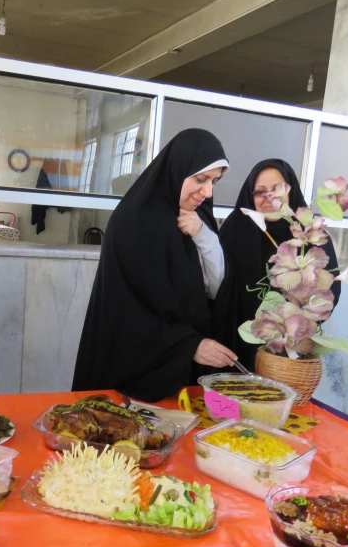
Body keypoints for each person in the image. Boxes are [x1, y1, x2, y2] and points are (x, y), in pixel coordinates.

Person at [72, 129, 237, 402]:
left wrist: (203, 235)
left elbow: (217, 289)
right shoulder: (134, 222)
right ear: (177, 169)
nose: (207, 192)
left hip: (189, 373)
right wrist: (188, 346)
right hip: (135, 376)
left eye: (214, 182)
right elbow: (127, 312)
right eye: (201, 179)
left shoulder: (199, 216)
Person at [213, 159, 341, 369]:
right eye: (260, 192)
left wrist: (298, 328)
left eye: (277, 189)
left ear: (291, 191)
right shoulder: (233, 232)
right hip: (234, 349)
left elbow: (328, 293)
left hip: (286, 355)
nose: (269, 197)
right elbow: (214, 289)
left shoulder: (309, 235)